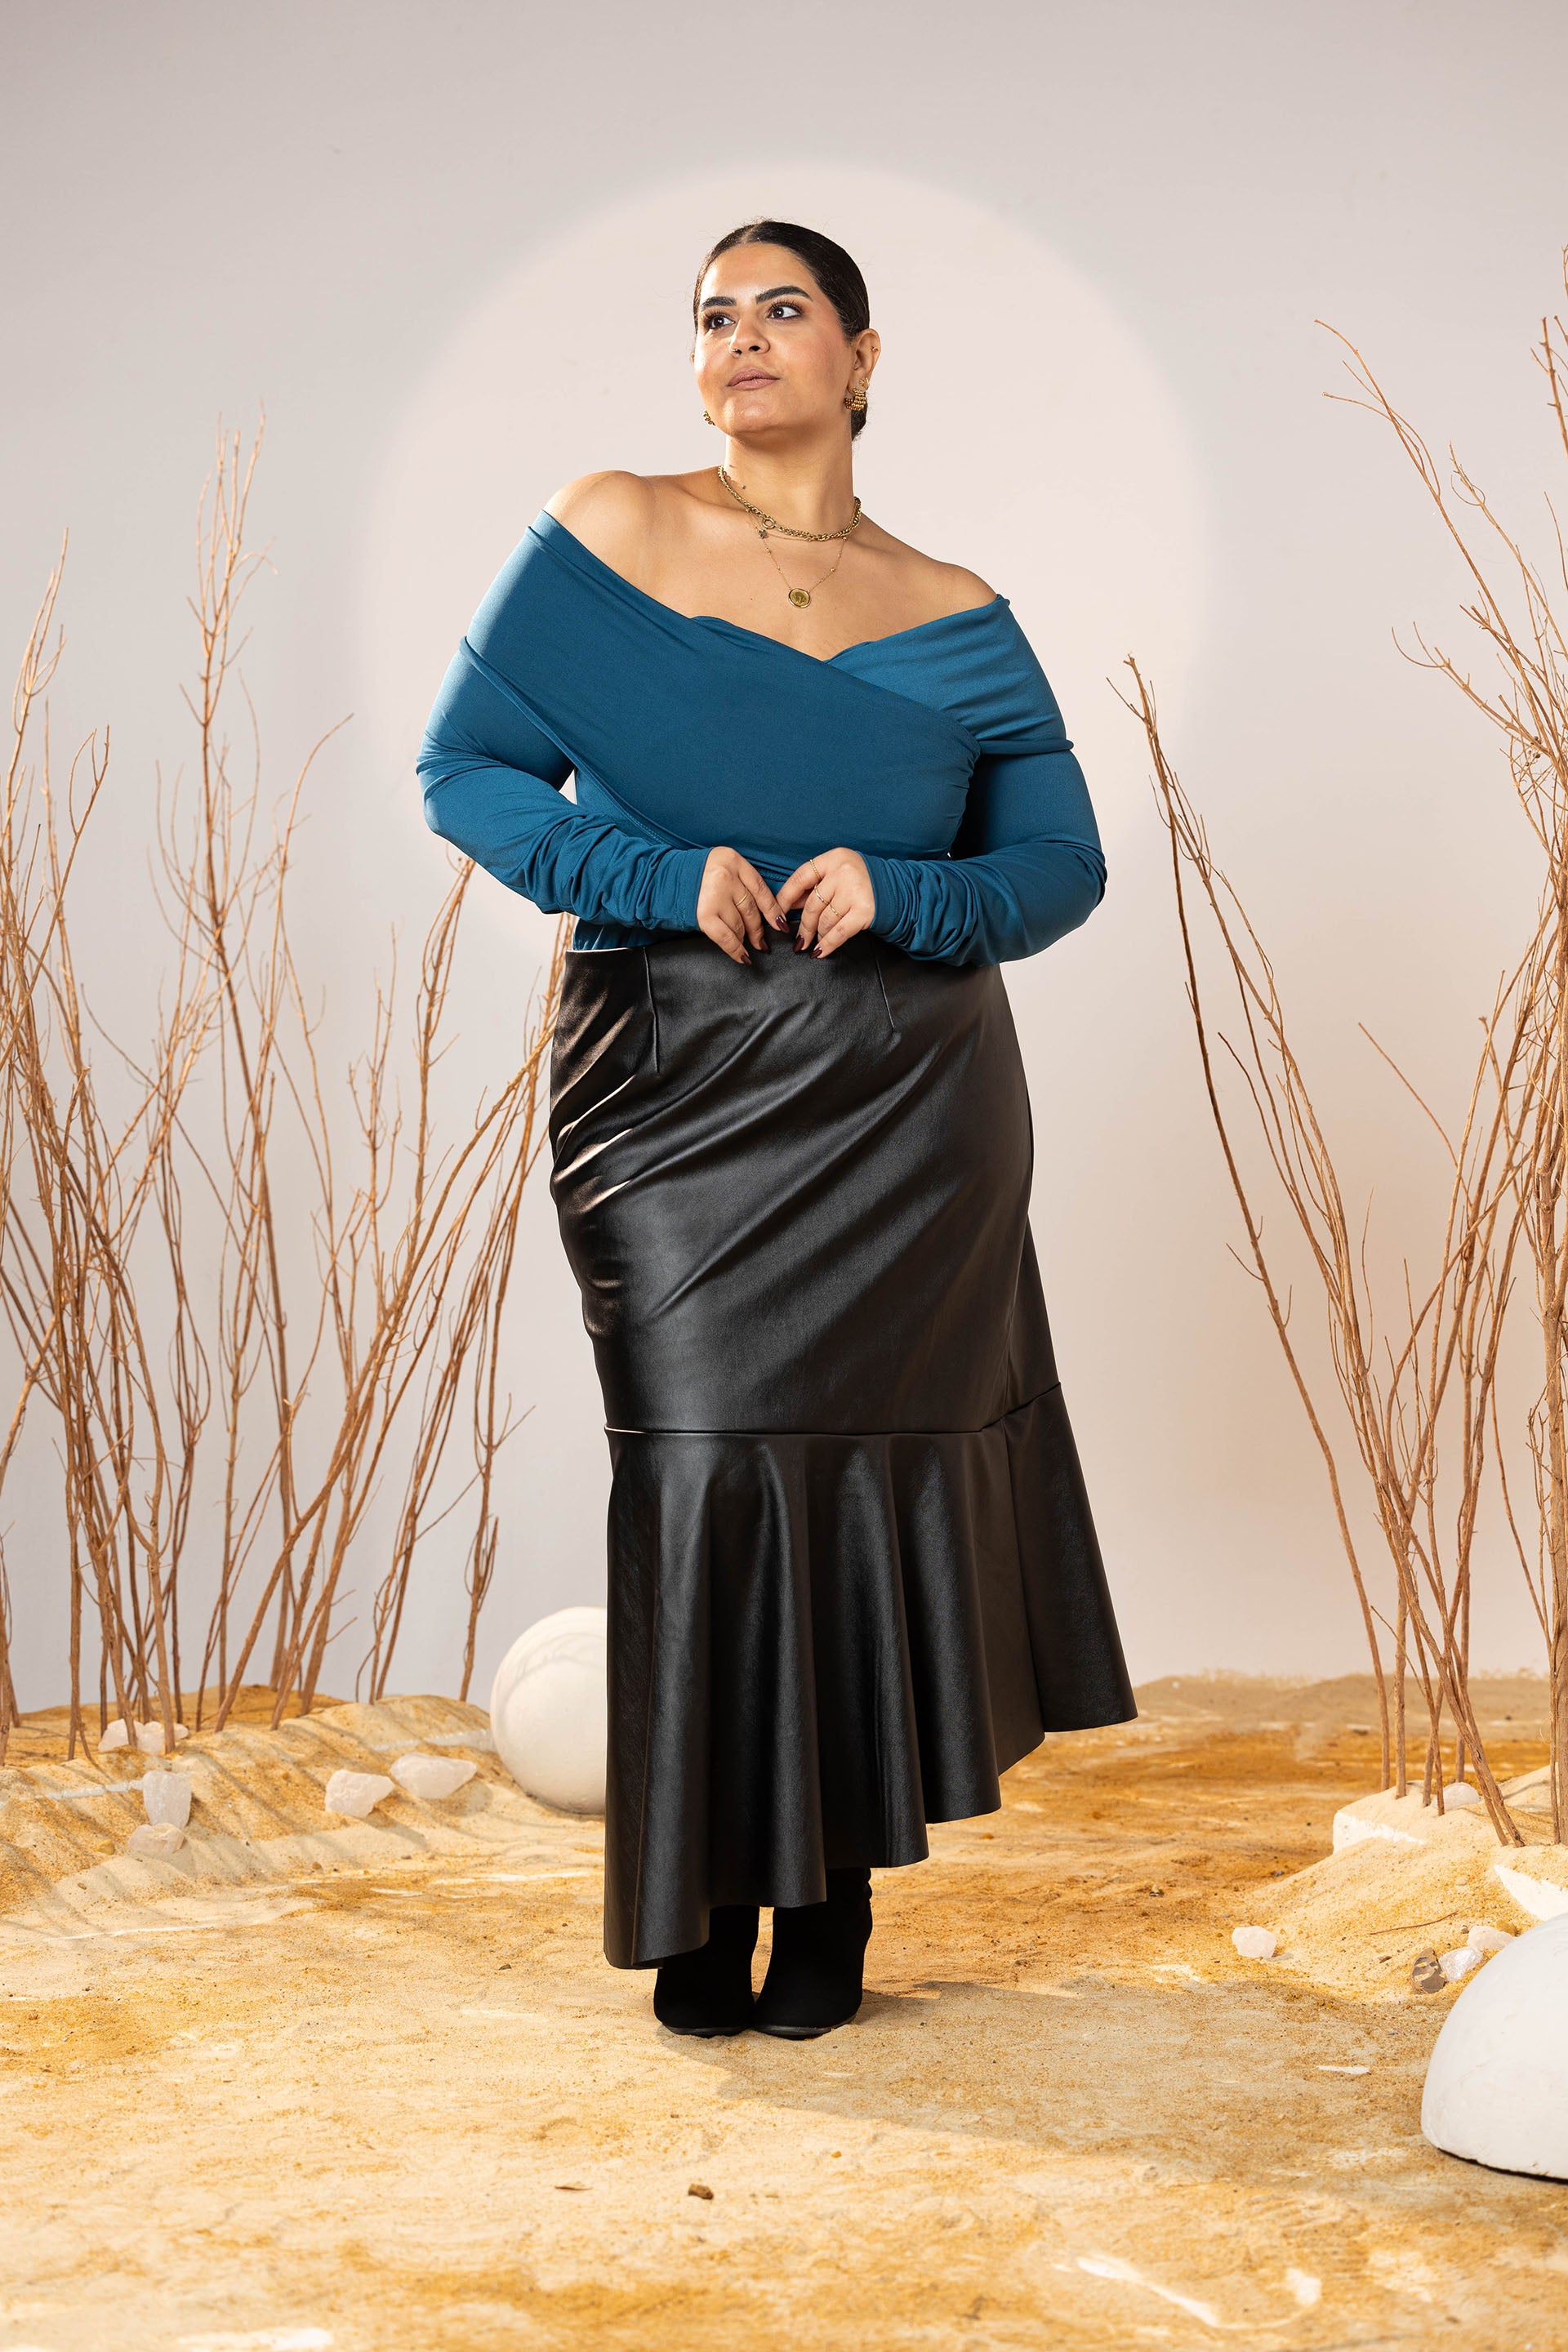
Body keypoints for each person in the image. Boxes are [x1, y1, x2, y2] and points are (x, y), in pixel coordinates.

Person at [418, 218, 1134, 2040]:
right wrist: (657, 873)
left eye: (784, 310)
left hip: (910, 1111)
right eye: (714, 316)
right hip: (669, 1086)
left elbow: (1061, 867)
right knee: (702, 1461)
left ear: (862, 361)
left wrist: (907, 890)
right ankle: (697, 1896)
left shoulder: (958, 609)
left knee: (862, 1479)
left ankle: (831, 1898)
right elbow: (464, 771)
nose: (741, 338)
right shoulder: (613, 527)